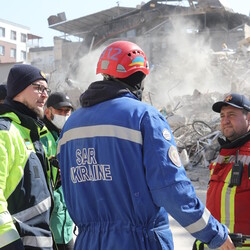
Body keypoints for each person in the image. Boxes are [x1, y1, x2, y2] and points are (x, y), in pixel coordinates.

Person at [57, 41, 235, 250]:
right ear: (139, 78)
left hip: (86, 243)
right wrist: (215, 234)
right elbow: (171, 189)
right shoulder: (144, 117)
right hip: (137, 242)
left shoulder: (70, 127)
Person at [0, 64, 55, 249]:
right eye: (38, 88)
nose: (45, 95)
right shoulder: (4, 132)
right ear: (17, 90)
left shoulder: (32, 132)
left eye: (46, 89)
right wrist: (10, 243)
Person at [193, 93, 250, 249]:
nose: (225, 120)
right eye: (222, 115)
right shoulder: (223, 154)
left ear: (249, 117)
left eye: (231, 115)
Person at [41, 92, 75, 250]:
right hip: (48, 223)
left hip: (66, 222)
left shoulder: (67, 136)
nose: (65, 115)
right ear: (48, 112)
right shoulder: (41, 136)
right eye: (60, 111)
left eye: (67, 111)